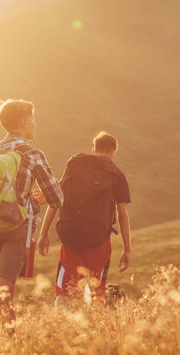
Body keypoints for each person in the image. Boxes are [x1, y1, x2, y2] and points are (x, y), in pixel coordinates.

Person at [0, 98, 63, 329]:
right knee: (2, 288)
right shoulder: (32, 154)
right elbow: (57, 198)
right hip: (18, 228)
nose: (35, 124)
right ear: (24, 122)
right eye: (33, 119)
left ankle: (11, 342)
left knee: (4, 288)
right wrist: (35, 203)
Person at [37, 130, 131, 305]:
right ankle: (96, 324)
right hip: (99, 242)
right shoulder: (116, 174)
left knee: (64, 292)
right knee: (97, 294)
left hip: (71, 237)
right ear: (112, 153)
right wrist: (127, 250)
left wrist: (43, 234)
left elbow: (56, 200)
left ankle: (61, 326)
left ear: (94, 150)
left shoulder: (75, 164)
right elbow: (123, 216)